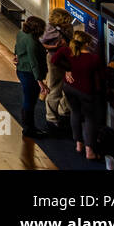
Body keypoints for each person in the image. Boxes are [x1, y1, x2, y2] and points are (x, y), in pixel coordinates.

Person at [61, 29, 104, 161]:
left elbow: (55, 59)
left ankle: (79, 144)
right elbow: (103, 75)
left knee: (75, 113)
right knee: (90, 119)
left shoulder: (69, 52)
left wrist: (67, 70)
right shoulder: (93, 58)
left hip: (69, 88)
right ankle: (89, 150)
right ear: (86, 44)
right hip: (86, 92)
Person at [14, 15, 48, 139]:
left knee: (28, 100)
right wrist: (40, 82)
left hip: (21, 69)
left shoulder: (21, 33)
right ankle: (29, 129)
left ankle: (28, 127)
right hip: (29, 73)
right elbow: (34, 62)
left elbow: (17, 47)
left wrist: (16, 56)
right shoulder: (32, 42)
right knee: (30, 101)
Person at [41, 10, 74, 135]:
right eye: (66, 21)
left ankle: (64, 111)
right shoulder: (49, 30)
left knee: (67, 86)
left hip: (67, 59)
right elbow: (42, 43)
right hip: (55, 60)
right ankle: (51, 118)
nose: (69, 23)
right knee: (54, 88)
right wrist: (55, 47)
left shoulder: (68, 27)